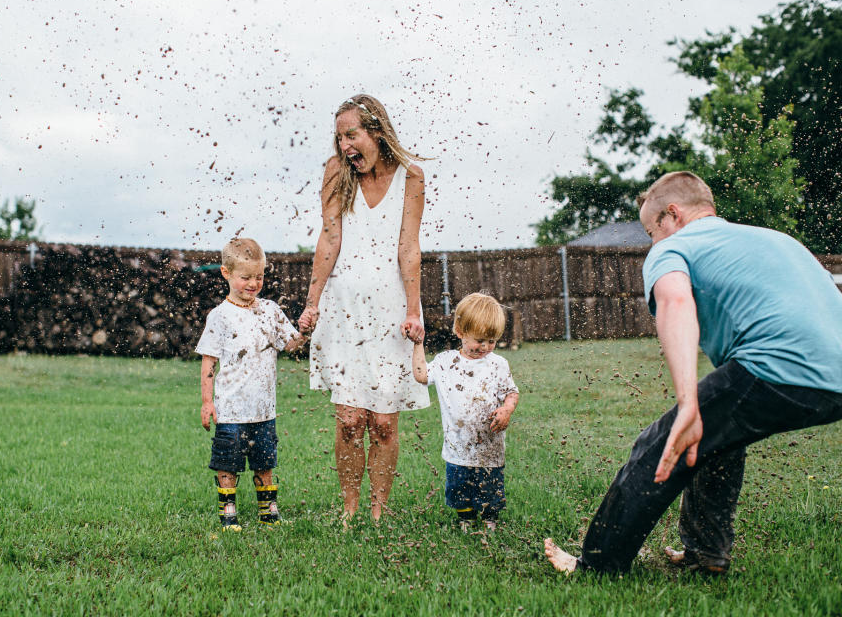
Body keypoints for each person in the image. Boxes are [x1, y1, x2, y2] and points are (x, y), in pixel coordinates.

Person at [545, 171, 842, 574]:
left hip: (778, 366)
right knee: (718, 439)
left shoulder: (674, 248)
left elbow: (675, 302)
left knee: (661, 443)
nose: (652, 242)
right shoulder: (775, 239)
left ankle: (597, 566)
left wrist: (688, 402)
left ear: (673, 215)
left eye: (652, 231)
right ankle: (706, 554)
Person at [298, 94, 430, 522]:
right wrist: (312, 303)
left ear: (377, 131)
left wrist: (413, 311)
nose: (345, 145)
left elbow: (409, 246)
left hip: (393, 313)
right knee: (351, 419)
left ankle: (378, 511)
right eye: (339, 137)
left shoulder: (411, 177)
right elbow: (329, 238)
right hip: (343, 311)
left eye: (351, 134)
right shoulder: (336, 172)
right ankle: (350, 511)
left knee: (384, 424)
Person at [197, 238, 307, 531]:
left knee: (265, 462)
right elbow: (209, 363)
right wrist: (208, 403)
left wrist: (306, 330)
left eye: (258, 276)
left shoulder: (270, 310)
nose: (253, 283)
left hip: (264, 409)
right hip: (231, 410)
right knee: (227, 464)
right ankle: (228, 512)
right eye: (245, 277)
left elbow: (292, 344)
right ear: (226, 273)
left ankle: (268, 511)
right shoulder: (219, 316)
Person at [412, 293, 520, 531]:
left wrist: (506, 410)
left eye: (491, 341)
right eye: (480, 340)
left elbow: (512, 393)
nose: (485, 347)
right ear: (460, 331)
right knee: (459, 487)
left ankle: (490, 520)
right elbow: (421, 375)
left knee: (490, 488)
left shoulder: (498, 364)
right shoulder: (445, 363)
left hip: (490, 446)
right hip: (457, 446)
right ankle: (466, 519)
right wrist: (418, 344)